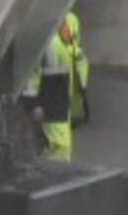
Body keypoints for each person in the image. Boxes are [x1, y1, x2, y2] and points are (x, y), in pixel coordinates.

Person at [34, 10, 90, 157]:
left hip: (60, 105)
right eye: (67, 27)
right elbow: (48, 79)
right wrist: (41, 105)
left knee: (62, 145)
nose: (70, 32)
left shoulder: (66, 44)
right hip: (54, 107)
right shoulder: (53, 44)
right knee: (57, 146)